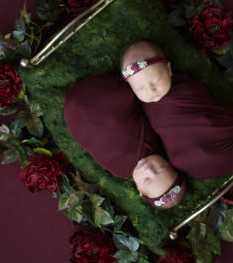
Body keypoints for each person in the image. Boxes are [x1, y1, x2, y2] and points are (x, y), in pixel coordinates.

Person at [121, 40, 233, 178]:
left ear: (169, 70)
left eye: (156, 80)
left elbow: (203, 99)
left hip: (221, 137)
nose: (151, 90)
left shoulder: (184, 86)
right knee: (179, 161)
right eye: (140, 88)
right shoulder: (144, 107)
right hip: (189, 160)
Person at [63, 73, 186, 209]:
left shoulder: (120, 170)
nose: (148, 169)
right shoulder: (158, 142)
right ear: (169, 162)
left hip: (79, 118)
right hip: (106, 99)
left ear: (139, 190)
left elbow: (97, 148)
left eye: (146, 180)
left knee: (90, 127)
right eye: (160, 168)